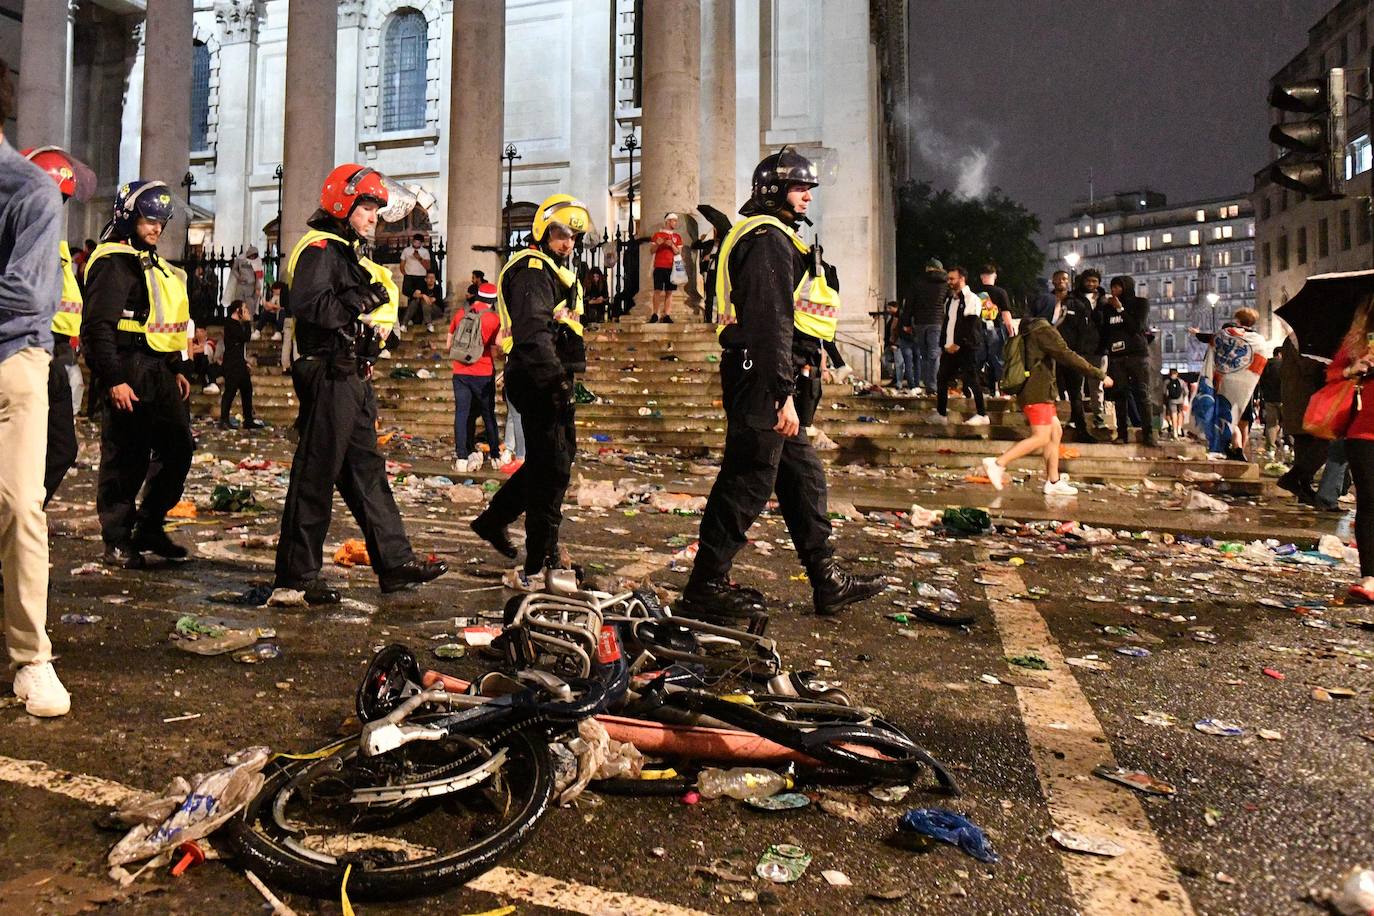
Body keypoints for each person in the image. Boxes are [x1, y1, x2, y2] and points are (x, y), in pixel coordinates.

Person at [678, 147, 883, 621]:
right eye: (799, 187)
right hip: (763, 375)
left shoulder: (773, 236)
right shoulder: (768, 238)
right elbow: (771, 323)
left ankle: (826, 578)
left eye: (809, 188)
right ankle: (705, 585)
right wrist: (782, 393)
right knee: (748, 478)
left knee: (802, 476)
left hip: (765, 371)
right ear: (773, 190)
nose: (808, 196)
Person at [273, 163, 447, 604]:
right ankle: (296, 576)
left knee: (367, 473)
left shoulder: (348, 252)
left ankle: (394, 563)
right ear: (343, 203)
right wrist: (356, 301)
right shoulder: (320, 248)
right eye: (367, 207)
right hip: (327, 371)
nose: (374, 217)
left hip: (350, 374)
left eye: (375, 208)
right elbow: (310, 304)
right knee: (316, 472)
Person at [470, 194, 592, 589]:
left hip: (548, 374)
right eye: (561, 234)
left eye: (573, 237)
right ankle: (540, 563)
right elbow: (534, 332)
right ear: (542, 230)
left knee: (547, 464)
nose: (567, 243)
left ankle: (495, 521)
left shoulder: (555, 271)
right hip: (539, 376)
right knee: (552, 469)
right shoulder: (533, 268)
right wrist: (555, 381)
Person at [0, 89, 70, 716]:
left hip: (12, 360)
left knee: (21, 505)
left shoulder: (31, 191)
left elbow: (24, 295)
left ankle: (31, 660)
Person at [83, 180, 195, 570]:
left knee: (179, 449)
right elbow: (97, 328)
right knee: (125, 458)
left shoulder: (150, 262)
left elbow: (163, 318)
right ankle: (116, 539)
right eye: (150, 220)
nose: (156, 230)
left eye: (161, 223)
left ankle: (149, 526)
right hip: (127, 367)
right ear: (129, 216)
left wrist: (176, 367)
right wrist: (113, 379)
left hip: (160, 370)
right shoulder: (112, 261)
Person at [22, 147, 92, 507]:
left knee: (62, 449)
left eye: (61, 199)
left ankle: (22, 516)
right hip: (25, 355)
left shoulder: (59, 249)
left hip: (57, 357)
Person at [981, 315, 1111, 496]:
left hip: (1037, 390)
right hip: (1037, 392)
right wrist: (1099, 374)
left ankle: (1053, 481)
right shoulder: (1043, 331)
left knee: (1055, 431)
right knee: (1041, 437)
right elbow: (1066, 354)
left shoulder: (1029, 330)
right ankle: (997, 463)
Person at [1324, 297, 1374, 602]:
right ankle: (1370, 577)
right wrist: (1353, 370)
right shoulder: (1357, 343)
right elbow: (1331, 376)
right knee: (1370, 501)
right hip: (1364, 432)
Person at [1190, 308, 1272, 460]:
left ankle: (1231, 447)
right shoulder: (1259, 340)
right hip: (1245, 386)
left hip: (1225, 383)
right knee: (1238, 417)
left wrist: (1196, 333)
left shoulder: (1226, 334)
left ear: (1237, 320)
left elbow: (1212, 341)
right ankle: (1238, 448)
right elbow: (1260, 363)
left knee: (1225, 415)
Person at [447, 281, 502, 469]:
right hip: (483, 372)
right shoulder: (494, 319)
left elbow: (449, 345)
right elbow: (498, 347)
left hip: (460, 371)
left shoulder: (460, 314)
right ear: (493, 300)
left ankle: (461, 457)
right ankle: (495, 456)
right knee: (488, 414)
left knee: (462, 414)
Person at [1098, 276, 1155, 446]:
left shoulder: (1140, 303)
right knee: (1120, 396)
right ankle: (1122, 433)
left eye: (1119, 287)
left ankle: (1148, 434)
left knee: (1142, 394)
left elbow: (1136, 327)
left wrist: (1121, 309)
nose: (1115, 291)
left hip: (1137, 355)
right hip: (1117, 357)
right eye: (1113, 287)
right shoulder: (1108, 309)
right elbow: (1106, 331)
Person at [1278, 335, 1330, 505]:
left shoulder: (1295, 339)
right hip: (1304, 400)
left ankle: (1303, 488)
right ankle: (1294, 478)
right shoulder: (1299, 340)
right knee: (1326, 443)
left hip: (1301, 400)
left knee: (1305, 446)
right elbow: (1308, 367)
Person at [935, 266, 989, 425]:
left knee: (971, 379)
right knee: (942, 378)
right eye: (948, 279)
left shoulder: (972, 299)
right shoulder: (950, 300)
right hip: (949, 348)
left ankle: (982, 414)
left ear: (962, 279)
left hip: (965, 348)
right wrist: (944, 344)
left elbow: (970, 325)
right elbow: (948, 323)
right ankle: (941, 413)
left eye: (952, 279)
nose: (949, 282)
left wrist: (959, 344)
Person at [1057, 271, 1103, 441]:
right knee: (1066, 391)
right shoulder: (1061, 301)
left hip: (1079, 351)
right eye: (1088, 281)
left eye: (1094, 281)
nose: (1091, 284)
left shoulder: (1085, 303)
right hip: (1060, 352)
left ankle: (1081, 428)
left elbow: (1087, 328)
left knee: (1078, 392)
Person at [219, 299, 263, 430]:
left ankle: (248, 419)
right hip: (232, 364)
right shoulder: (231, 324)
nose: (246, 312)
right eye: (244, 309)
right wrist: (248, 322)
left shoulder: (237, 324)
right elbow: (245, 337)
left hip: (240, 363)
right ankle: (224, 419)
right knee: (230, 391)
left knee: (247, 390)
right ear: (238, 310)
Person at [905, 258, 946, 393]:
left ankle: (926, 382)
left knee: (924, 354)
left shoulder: (918, 282)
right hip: (937, 321)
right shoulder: (945, 283)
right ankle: (933, 385)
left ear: (927, 268)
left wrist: (906, 323)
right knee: (934, 353)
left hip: (920, 322)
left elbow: (909, 304)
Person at [976, 263, 1014, 395]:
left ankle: (975, 389)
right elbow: (1005, 313)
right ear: (995, 276)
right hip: (996, 329)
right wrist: (1011, 330)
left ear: (981, 277)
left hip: (977, 330)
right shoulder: (1000, 292)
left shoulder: (974, 292)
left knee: (978, 360)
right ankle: (999, 389)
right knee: (997, 360)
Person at [649, 212, 683, 324]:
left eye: (676, 221)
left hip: (672, 267)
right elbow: (651, 251)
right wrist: (658, 244)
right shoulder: (657, 235)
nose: (675, 223)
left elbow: (678, 252)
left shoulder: (677, 237)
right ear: (667, 221)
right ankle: (655, 314)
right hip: (659, 266)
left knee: (669, 292)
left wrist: (671, 245)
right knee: (657, 290)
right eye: (673, 220)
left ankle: (667, 314)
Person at [1258, 345, 1284, 458]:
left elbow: (1261, 381)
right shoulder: (1285, 364)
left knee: (1271, 424)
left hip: (1269, 399)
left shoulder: (1266, 365)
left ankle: (1270, 450)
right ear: (1280, 354)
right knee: (1287, 423)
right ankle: (1291, 446)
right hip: (1284, 399)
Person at [229, 244, 263, 325]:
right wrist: (239, 277)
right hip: (240, 286)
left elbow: (259, 276)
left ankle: (249, 324)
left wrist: (257, 287)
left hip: (250, 287)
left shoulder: (257, 262)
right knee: (238, 305)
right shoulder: (240, 259)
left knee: (250, 307)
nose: (252, 257)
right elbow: (234, 270)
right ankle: (237, 324)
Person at [399, 233, 431, 301]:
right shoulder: (406, 250)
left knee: (418, 294)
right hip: (409, 275)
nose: (416, 244)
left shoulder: (425, 252)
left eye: (418, 243)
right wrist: (404, 273)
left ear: (421, 243)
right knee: (406, 291)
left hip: (420, 276)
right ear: (412, 241)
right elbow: (402, 263)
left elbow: (428, 267)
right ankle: (420, 296)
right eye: (415, 242)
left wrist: (419, 258)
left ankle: (419, 299)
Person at [1163, 369, 1188, 439]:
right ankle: (1179, 428)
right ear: (1177, 374)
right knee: (1180, 413)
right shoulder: (1181, 381)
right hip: (1180, 400)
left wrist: (1167, 398)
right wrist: (1183, 397)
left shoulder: (1167, 382)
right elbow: (1186, 391)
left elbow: (1164, 392)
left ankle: (1175, 432)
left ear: (1169, 374)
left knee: (1174, 414)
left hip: (1171, 400)